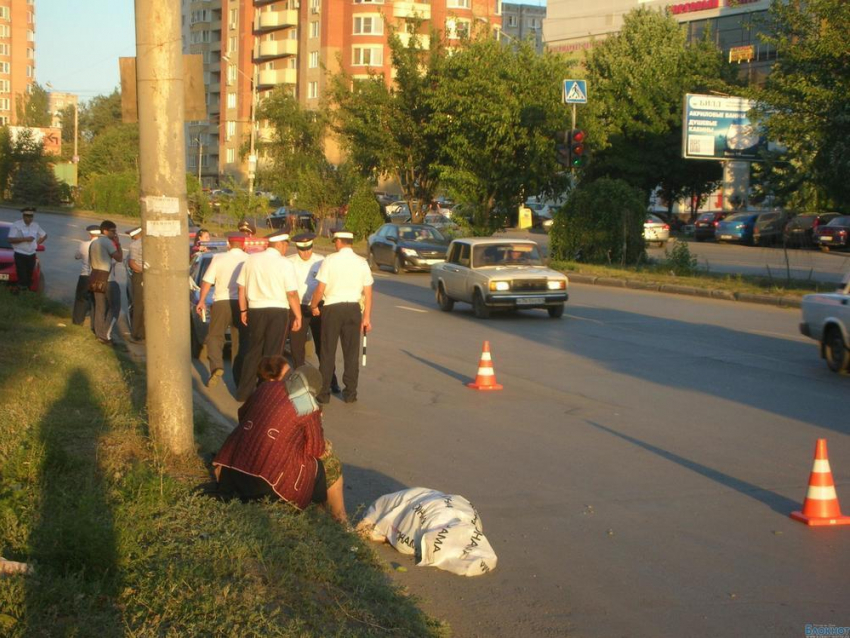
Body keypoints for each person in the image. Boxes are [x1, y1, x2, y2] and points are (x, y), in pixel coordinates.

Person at [212, 359, 347, 523]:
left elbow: (243, 415)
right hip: (266, 485)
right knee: (328, 464)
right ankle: (339, 519)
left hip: (231, 473)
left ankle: (325, 516)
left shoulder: (267, 387)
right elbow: (315, 450)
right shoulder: (307, 404)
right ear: (312, 391)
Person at [235, 230, 302, 401]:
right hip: (278, 311)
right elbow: (292, 293)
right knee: (273, 353)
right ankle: (266, 392)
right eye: (286, 244)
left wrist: (243, 310)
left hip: (256, 309)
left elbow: (241, 288)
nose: (287, 248)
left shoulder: (251, 259)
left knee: (253, 351)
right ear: (280, 244)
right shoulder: (285, 263)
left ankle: (243, 392)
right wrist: (298, 315)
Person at [310, 231, 374, 404]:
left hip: (332, 308)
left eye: (335, 241)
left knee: (328, 352)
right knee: (351, 353)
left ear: (339, 242)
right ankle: (350, 393)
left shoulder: (330, 261)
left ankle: (324, 393)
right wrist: (366, 317)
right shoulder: (362, 262)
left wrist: (314, 305)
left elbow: (320, 289)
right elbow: (368, 293)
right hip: (353, 308)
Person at [287, 232, 340, 394]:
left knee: (323, 346)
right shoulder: (289, 262)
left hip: (318, 308)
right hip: (298, 308)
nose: (306, 252)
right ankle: (301, 382)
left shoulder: (321, 261)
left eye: (309, 248)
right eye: (303, 250)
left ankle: (331, 380)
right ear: (297, 248)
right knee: (297, 348)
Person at [195, 232, 249, 388]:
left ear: (228, 244)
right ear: (244, 245)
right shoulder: (249, 260)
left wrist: (202, 301)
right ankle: (239, 377)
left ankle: (217, 366)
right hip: (242, 305)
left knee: (214, 336)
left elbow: (206, 281)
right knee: (239, 340)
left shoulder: (219, 258)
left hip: (221, 303)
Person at [89, 220, 123, 345]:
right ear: (105, 231)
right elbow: (119, 258)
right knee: (115, 307)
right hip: (108, 279)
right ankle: (106, 335)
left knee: (100, 307)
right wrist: (118, 244)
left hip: (95, 277)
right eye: (113, 231)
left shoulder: (94, 242)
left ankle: (99, 334)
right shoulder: (107, 242)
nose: (115, 234)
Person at [7, 207, 47, 291]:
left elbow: (44, 235)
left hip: (31, 255)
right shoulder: (16, 225)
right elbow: (10, 239)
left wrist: (36, 244)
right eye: (28, 216)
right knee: (22, 277)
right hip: (20, 254)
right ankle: (19, 293)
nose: (30, 219)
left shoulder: (35, 225)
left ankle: (25, 293)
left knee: (29, 276)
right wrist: (25, 239)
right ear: (23, 216)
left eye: (31, 216)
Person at [72, 225, 101, 325]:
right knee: (96, 300)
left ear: (90, 234)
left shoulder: (84, 244)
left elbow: (77, 256)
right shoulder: (103, 245)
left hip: (85, 275)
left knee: (81, 299)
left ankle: (78, 321)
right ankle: (95, 323)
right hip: (99, 276)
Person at [126, 226, 145, 343]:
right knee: (139, 304)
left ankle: (142, 332)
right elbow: (132, 263)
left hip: (144, 274)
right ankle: (136, 332)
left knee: (143, 305)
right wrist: (144, 271)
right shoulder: (136, 245)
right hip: (139, 276)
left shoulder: (143, 243)